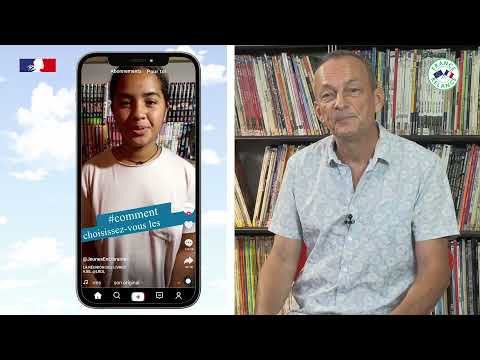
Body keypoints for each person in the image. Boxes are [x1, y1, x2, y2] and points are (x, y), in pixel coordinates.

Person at [255, 50, 460, 315]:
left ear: (377, 99)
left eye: (353, 90)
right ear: (319, 111)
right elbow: (282, 259)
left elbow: (435, 268)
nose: (339, 103)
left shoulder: (423, 167)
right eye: (328, 95)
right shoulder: (299, 167)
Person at [81, 65, 195, 289]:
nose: (138, 114)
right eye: (125, 103)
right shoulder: (91, 173)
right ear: (112, 109)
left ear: (166, 108)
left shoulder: (186, 173)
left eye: (150, 102)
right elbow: (85, 248)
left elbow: (187, 246)